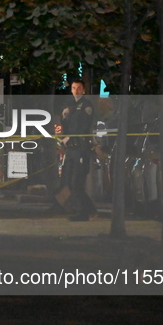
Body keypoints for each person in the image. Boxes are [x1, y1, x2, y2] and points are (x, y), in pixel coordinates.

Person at [60, 79, 97, 221]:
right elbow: (65, 124)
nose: (76, 90)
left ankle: (84, 211)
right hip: (71, 148)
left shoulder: (87, 105)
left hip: (81, 148)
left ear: (84, 90)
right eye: (74, 88)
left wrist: (70, 137)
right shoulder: (69, 105)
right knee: (70, 181)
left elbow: (83, 125)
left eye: (79, 88)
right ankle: (88, 210)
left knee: (77, 181)